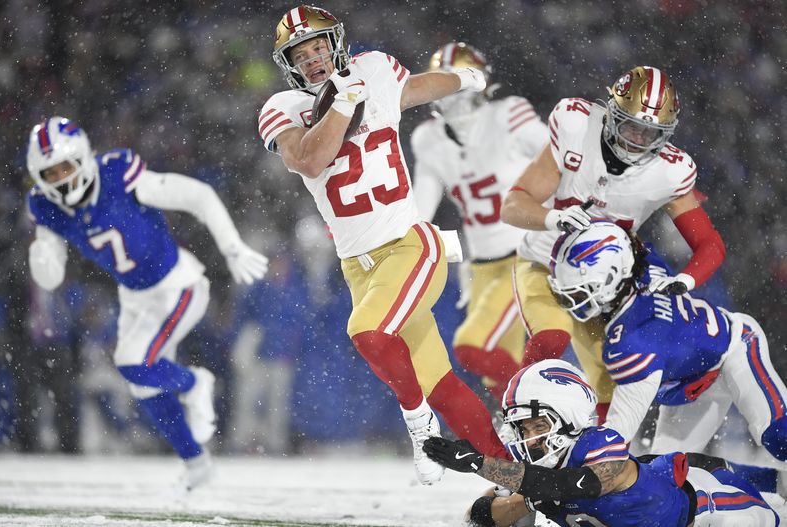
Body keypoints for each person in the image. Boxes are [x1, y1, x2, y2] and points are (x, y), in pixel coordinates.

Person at [258, 5, 509, 485]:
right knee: (441, 384)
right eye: (300, 53)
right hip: (360, 265)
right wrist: (342, 104)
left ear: (335, 43)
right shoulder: (282, 108)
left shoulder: (372, 69)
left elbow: (412, 89)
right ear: (287, 62)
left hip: (412, 246)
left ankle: (419, 430)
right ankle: (515, 477)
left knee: (368, 333)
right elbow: (310, 160)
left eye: (317, 47)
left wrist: (466, 79)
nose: (312, 59)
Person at [25, 117, 268, 489]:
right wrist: (43, 257)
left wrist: (231, 245)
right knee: (144, 384)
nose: (60, 178)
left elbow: (197, 196)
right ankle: (197, 464)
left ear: (84, 160)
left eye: (65, 167)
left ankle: (193, 383)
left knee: (134, 363)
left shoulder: (118, 174)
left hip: (178, 286)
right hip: (136, 298)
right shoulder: (47, 207)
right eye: (50, 172)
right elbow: (51, 276)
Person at [500, 66, 726, 422]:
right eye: (631, 125)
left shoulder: (671, 171)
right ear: (610, 113)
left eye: (651, 132)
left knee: (611, 380)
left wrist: (687, 280)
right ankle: (517, 431)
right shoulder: (577, 126)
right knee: (550, 340)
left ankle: (597, 467)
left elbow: (710, 244)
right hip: (545, 264)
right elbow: (513, 205)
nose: (637, 139)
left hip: (605, 288)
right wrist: (551, 218)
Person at [423, 359, 779, 526]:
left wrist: (481, 465)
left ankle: (776, 481)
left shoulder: (599, 443)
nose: (527, 439)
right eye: (521, 428)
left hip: (718, 513)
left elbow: (574, 485)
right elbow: (479, 517)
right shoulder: (537, 473)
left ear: (569, 415)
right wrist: (512, 502)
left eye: (535, 425)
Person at [547, 221, 787, 462]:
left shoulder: (632, 341)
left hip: (734, 349)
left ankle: (768, 483)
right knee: (666, 476)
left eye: (577, 292)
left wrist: (569, 465)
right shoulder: (642, 261)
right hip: (689, 384)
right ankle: (768, 485)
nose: (570, 300)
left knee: (779, 435)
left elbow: (617, 436)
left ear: (610, 279)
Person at [411, 42, 548, 402]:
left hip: (524, 255)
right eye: (445, 84)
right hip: (481, 265)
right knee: (499, 371)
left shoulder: (508, 114)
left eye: (458, 82)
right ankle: (523, 430)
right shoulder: (429, 139)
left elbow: (561, 159)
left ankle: (539, 400)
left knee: (472, 347)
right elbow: (418, 210)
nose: (453, 95)